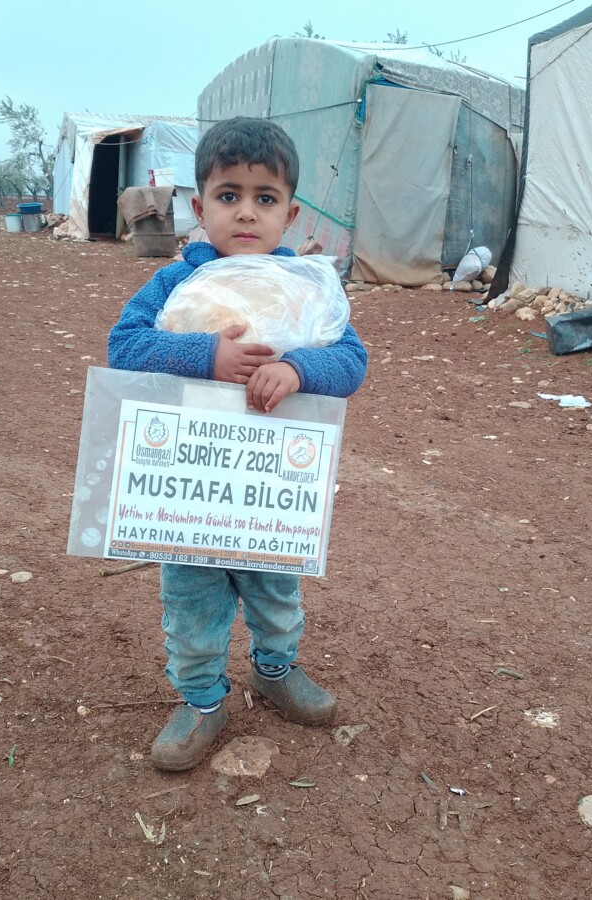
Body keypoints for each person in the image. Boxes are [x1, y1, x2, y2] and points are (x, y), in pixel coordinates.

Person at [107, 117, 368, 771]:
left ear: (291, 213)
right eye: (229, 196)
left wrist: (301, 370)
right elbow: (125, 346)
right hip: (187, 489)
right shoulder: (174, 286)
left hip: (269, 491)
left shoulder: (309, 293)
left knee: (277, 595)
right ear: (200, 208)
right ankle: (200, 700)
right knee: (190, 605)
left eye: (265, 198)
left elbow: (352, 361)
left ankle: (275, 670)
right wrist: (206, 353)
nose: (246, 212)